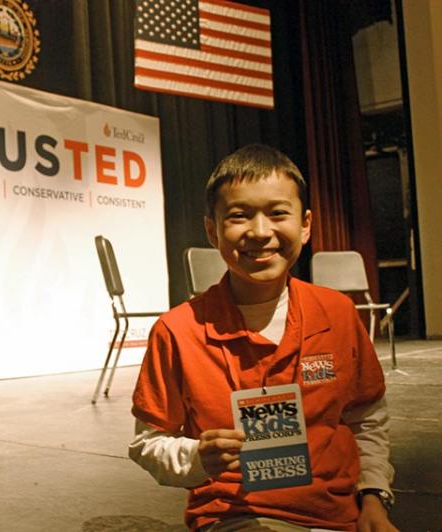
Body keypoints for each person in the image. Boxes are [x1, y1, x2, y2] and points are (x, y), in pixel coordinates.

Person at [128, 144, 397, 532]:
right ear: (212, 230)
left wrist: (373, 497)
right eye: (239, 216)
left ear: (305, 225)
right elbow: (148, 443)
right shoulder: (177, 330)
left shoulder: (337, 313)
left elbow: (367, 418)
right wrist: (198, 456)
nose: (259, 232)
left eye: (277, 213)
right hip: (234, 516)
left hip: (342, 516)